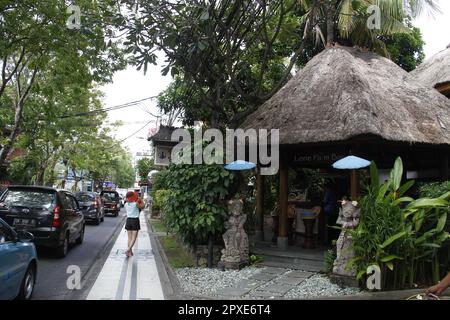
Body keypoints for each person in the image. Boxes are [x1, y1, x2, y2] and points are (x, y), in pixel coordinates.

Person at [124, 191, 144, 257]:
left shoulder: (126, 204)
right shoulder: (136, 204)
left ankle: (130, 252)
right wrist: (140, 200)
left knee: (129, 238)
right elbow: (143, 206)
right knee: (134, 238)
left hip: (128, 220)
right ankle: (128, 249)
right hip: (135, 220)